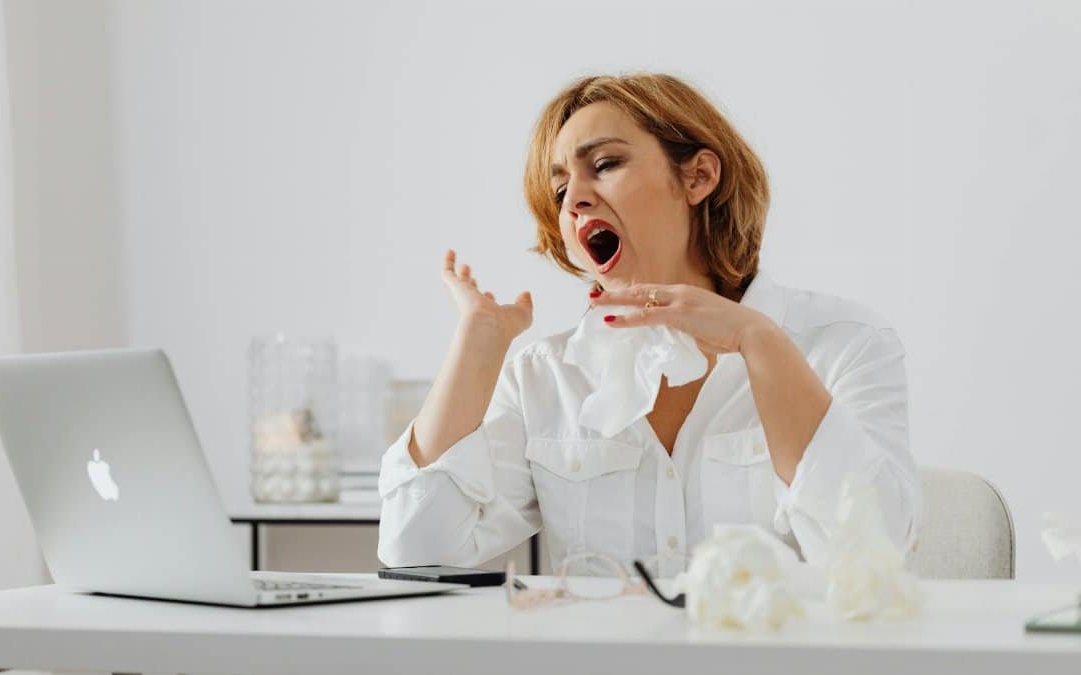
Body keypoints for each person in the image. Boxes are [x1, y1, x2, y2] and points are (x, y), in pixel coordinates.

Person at [376, 73, 920, 577]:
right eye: (561, 188)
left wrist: (759, 342)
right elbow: (416, 551)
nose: (575, 200)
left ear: (699, 176)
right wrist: (478, 344)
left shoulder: (844, 343)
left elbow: (876, 556)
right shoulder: (545, 378)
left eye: (606, 164)